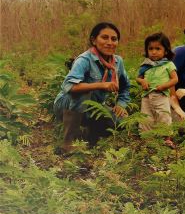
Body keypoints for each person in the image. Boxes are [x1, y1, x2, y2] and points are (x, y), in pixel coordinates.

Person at [53, 22, 130, 153]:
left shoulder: (117, 62)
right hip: (67, 104)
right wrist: (101, 85)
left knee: (121, 120)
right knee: (83, 93)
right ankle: (68, 143)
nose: (110, 42)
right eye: (104, 38)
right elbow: (69, 86)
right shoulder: (84, 59)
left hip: (95, 106)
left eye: (114, 39)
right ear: (94, 40)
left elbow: (125, 86)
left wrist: (121, 104)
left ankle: (90, 135)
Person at [136, 32, 179, 147]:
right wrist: (142, 81)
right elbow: (138, 79)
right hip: (146, 96)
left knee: (163, 115)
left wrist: (165, 85)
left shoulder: (168, 64)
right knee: (146, 117)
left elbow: (175, 79)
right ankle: (147, 138)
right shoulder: (145, 65)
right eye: (150, 49)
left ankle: (166, 138)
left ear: (165, 51)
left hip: (161, 95)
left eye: (158, 48)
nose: (154, 52)